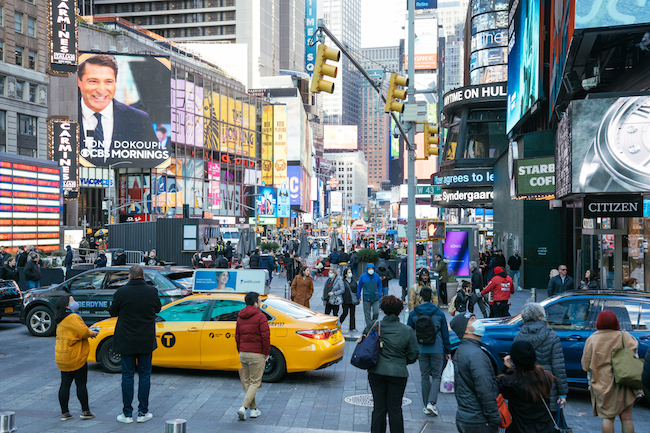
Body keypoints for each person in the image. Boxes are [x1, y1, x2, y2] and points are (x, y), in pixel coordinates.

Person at [109, 265, 162, 424]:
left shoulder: (122, 292)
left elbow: (113, 312)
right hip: (145, 340)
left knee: (127, 376)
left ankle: (126, 414)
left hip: (126, 340)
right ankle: (142, 412)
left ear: (129, 277)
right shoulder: (152, 291)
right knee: (145, 375)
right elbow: (157, 309)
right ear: (143, 276)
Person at [78, 54, 159, 151]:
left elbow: (156, 162)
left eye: (108, 82)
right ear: (79, 82)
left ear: (116, 83)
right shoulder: (63, 114)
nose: (101, 90)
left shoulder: (139, 120)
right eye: (93, 81)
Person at [364, 295, 418, 433]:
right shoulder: (407, 331)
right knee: (395, 409)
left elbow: (365, 344)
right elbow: (413, 355)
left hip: (376, 371)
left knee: (379, 407)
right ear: (399, 311)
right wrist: (400, 361)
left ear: (383, 309)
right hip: (398, 373)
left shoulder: (374, 326)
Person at [582, 310, 640, 433]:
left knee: (608, 418)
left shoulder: (592, 340)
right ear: (616, 322)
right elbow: (635, 355)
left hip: (603, 383)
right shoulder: (625, 336)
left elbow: (586, 365)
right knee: (627, 418)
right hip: (626, 382)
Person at [449, 312, 501, 433]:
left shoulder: (462, 350)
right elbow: (485, 390)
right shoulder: (476, 355)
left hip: (466, 417)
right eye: (472, 320)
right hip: (479, 421)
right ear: (465, 330)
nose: (478, 322)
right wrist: (495, 418)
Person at [514, 303, 568, 412]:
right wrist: (562, 393)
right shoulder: (552, 336)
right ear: (541, 315)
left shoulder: (519, 337)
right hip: (547, 385)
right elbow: (558, 367)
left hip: (525, 385)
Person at [407, 287, 451, 417]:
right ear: (431, 297)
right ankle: (432, 403)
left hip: (421, 348)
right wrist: (448, 350)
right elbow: (445, 333)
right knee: (437, 375)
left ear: (420, 298)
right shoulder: (439, 313)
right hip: (437, 348)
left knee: (424, 376)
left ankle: (427, 404)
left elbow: (409, 332)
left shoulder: (414, 313)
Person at [54, 295, 98, 421]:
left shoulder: (60, 318)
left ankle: (65, 413)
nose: (75, 302)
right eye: (72, 300)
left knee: (65, 384)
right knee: (81, 384)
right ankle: (85, 411)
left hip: (62, 356)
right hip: (75, 356)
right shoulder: (72, 317)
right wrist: (93, 333)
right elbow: (83, 332)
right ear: (67, 305)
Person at [498, 341, 556, 433]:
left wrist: (507, 369)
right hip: (544, 427)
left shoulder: (510, 381)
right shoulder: (545, 376)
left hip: (520, 428)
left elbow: (502, 392)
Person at [235, 292, 270, 421]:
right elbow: (265, 337)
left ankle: (254, 410)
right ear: (255, 303)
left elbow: (237, 337)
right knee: (255, 382)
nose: (260, 303)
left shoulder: (240, 317)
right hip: (257, 353)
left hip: (243, 353)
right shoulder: (261, 317)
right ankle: (243, 407)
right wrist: (266, 353)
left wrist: (241, 350)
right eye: (259, 301)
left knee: (249, 382)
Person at [340, 267, 358, 332]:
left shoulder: (354, 281)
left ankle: (352, 327)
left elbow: (357, 289)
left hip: (352, 300)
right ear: (345, 274)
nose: (350, 274)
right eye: (349, 272)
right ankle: (338, 324)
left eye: (351, 272)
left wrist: (358, 296)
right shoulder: (342, 281)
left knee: (352, 314)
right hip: (345, 300)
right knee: (345, 313)